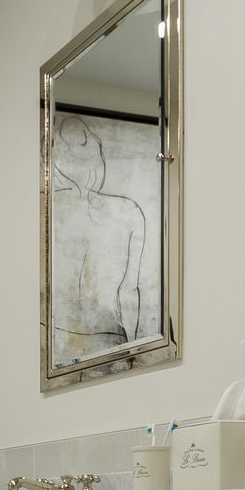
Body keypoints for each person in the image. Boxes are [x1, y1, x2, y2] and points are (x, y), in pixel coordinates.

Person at [50, 112, 151, 365]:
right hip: (107, 342)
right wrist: (133, 352)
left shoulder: (47, 210)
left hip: (54, 342)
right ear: (97, 156)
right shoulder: (128, 212)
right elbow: (129, 292)